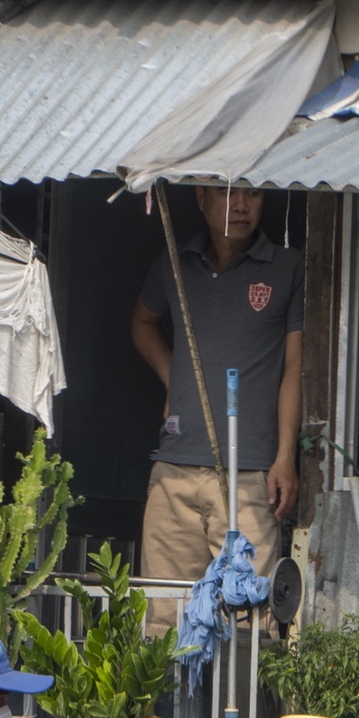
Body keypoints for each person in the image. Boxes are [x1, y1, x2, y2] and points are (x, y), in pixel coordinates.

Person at [131, 185, 303, 631]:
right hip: (174, 471)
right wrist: (175, 379)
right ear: (202, 199)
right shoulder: (175, 260)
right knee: (164, 625)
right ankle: (169, 707)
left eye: (253, 195)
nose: (241, 206)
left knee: (248, 625)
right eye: (227, 194)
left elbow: (296, 369)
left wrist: (285, 456)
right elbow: (142, 323)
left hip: (249, 477)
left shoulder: (287, 268)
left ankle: (240, 706)